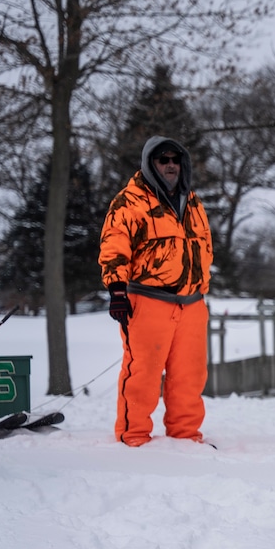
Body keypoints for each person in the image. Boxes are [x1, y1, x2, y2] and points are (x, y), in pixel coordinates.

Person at [99, 136, 213, 446]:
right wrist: (117, 291)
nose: (171, 165)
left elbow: (205, 249)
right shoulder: (129, 202)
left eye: (175, 159)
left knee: (189, 377)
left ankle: (186, 437)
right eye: (163, 160)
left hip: (191, 304)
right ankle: (133, 437)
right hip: (147, 301)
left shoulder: (194, 203)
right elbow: (114, 247)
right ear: (151, 163)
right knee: (143, 375)